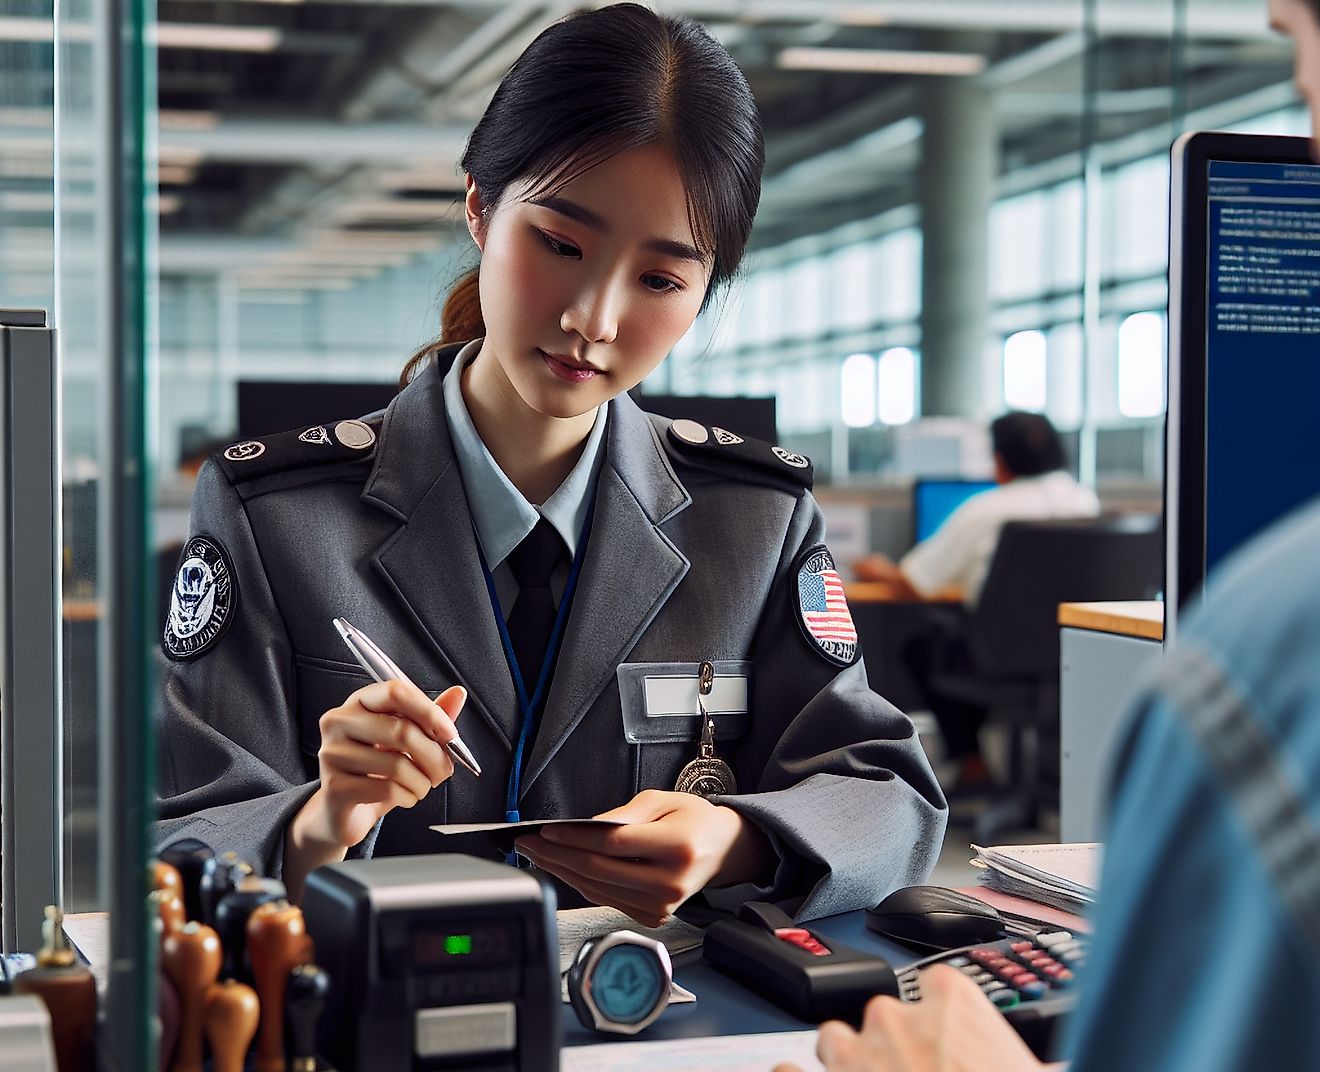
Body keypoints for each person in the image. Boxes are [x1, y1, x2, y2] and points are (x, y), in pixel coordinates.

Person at [155, 3, 947, 922]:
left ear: (705, 293)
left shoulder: (756, 522)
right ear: (481, 208)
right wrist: (318, 823)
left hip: (662, 1029)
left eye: (660, 279)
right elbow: (184, 842)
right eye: (561, 245)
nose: (594, 320)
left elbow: (889, 799)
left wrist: (735, 840)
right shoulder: (276, 516)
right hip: (375, 1035)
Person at [769, 9, 1320, 1072]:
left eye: (1304, 57)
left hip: (977, 676)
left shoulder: (1269, 659)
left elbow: (917, 589)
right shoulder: (1089, 506)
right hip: (1058, 667)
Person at [857, 412, 1100, 798]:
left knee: (922, 645)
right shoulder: (1085, 501)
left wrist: (873, 568)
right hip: (1074, 655)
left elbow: (914, 581)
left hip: (998, 658)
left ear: (1000, 462)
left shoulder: (986, 509)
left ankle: (973, 763)